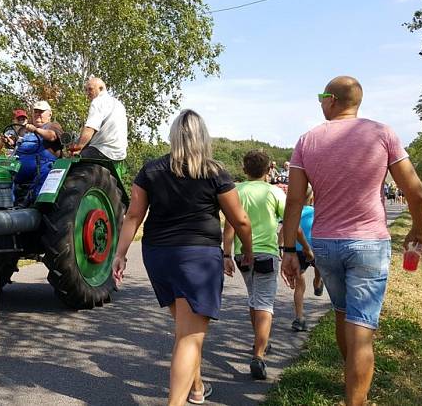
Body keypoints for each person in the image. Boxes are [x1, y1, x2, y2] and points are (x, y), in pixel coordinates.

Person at [281, 76, 422, 406]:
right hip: (368, 244)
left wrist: (288, 249)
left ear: (332, 100)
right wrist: (418, 229)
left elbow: (293, 202)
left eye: (322, 96)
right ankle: (355, 399)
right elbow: (415, 193)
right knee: (361, 326)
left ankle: (353, 386)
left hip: (325, 245)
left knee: (343, 313)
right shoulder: (382, 134)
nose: (320, 103)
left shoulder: (307, 140)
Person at [112, 109, 252, 406]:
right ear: (203, 137)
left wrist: (120, 254)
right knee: (190, 336)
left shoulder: (150, 170)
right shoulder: (214, 172)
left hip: (158, 255)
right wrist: (247, 252)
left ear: (173, 135)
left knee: (186, 329)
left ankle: (198, 387)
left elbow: (134, 215)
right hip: (197, 258)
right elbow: (240, 221)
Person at [223, 149, 312, 380]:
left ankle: (259, 342)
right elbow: (293, 224)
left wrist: (226, 253)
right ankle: (259, 355)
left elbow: (230, 225)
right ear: (268, 171)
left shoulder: (235, 191)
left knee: (253, 298)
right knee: (264, 303)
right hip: (267, 254)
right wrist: (306, 248)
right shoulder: (274, 192)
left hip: (243, 254)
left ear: (244, 169)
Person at [70, 76, 128, 161]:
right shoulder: (119, 104)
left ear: (101, 89)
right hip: (120, 154)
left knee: (70, 163)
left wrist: (77, 148)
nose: (87, 93)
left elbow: (90, 128)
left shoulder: (98, 101)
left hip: (103, 149)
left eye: (90, 89)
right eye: (86, 90)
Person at [290, 185, 323, 333]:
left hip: (298, 250)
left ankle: (299, 318)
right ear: (311, 198)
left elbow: (284, 230)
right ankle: (317, 283)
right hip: (315, 248)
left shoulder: (293, 213)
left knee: (299, 285)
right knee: (319, 270)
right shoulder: (316, 212)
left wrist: (280, 246)